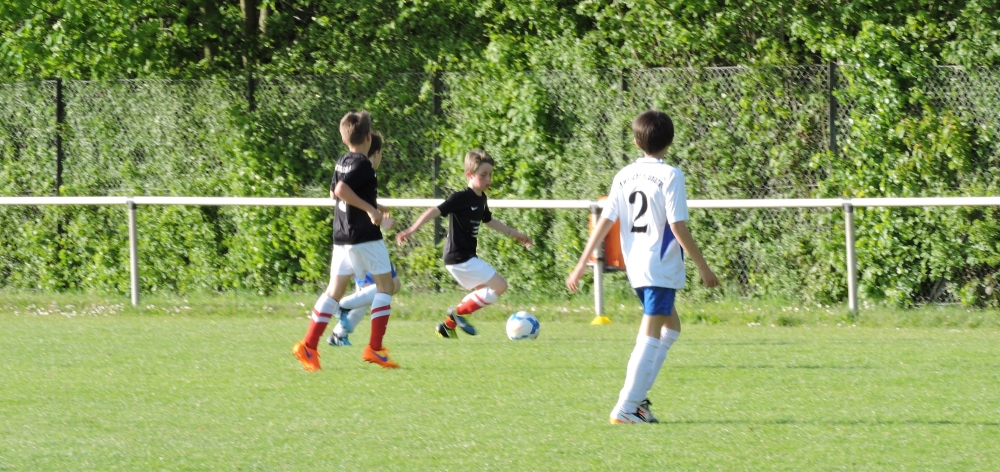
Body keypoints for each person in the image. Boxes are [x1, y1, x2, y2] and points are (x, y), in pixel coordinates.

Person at [566, 110, 719, 424]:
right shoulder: (671, 175)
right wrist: (703, 267)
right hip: (659, 265)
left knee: (671, 328)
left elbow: (605, 221)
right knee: (650, 334)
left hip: (636, 265)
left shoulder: (624, 175)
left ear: (637, 142)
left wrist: (581, 264)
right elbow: (677, 226)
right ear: (671, 141)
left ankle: (637, 403)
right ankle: (627, 406)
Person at [293, 113, 401, 370]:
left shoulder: (343, 161)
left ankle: (309, 346)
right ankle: (375, 349)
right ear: (368, 137)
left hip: (342, 235)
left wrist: (374, 205)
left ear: (344, 140)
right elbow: (342, 190)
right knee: (386, 286)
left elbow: (335, 192)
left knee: (334, 290)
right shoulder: (363, 163)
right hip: (364, 236)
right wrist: (371, 211)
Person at [396, 149, 532, 338]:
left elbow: (488, 220)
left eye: (490, 174)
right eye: (483, 175)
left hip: (463, 258)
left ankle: (447, 327)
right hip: (459, 257)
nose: (488, 179)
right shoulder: (460, 197)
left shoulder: (481, 198)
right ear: (469, 175)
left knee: (482, 292)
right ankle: (457, 313)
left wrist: (515, 233)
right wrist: (411, 229)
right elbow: (435, 210)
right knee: (500, 286)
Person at [327, 132, 402, 347]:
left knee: (375, 289)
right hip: (363, 241)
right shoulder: (364, 168)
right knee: (389, 285)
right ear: (376, 152)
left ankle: (340, 333)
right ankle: (344, 307)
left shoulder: (348, 164)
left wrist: (375, 206)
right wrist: (380, 219)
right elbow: (347, 196)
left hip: (352, 239)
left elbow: (346, 196)